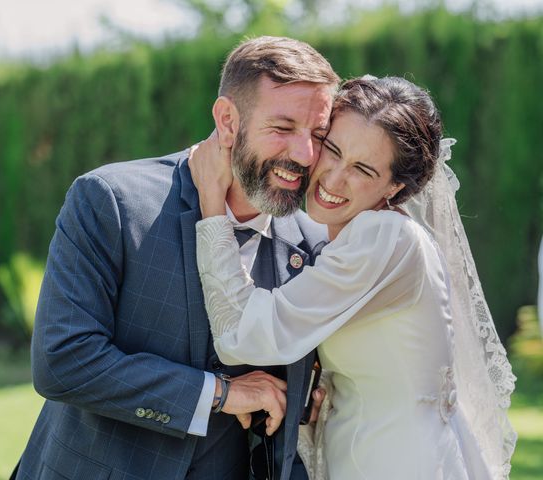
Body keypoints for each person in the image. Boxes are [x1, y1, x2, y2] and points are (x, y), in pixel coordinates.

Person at [11, 36, 340, 480]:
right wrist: (219, 394)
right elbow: (63, 360)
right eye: (282, 129)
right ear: (227, 120)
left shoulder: (316, 245)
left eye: (318, 135)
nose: (304, 155)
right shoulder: (111, 201)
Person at [191, 76, 517, 479]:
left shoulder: (383, 237)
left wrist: (211, 203)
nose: (333, 179)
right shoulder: (367, 236)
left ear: (395, 187)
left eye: (362, 169)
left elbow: (242, 334)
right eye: (332, 149)